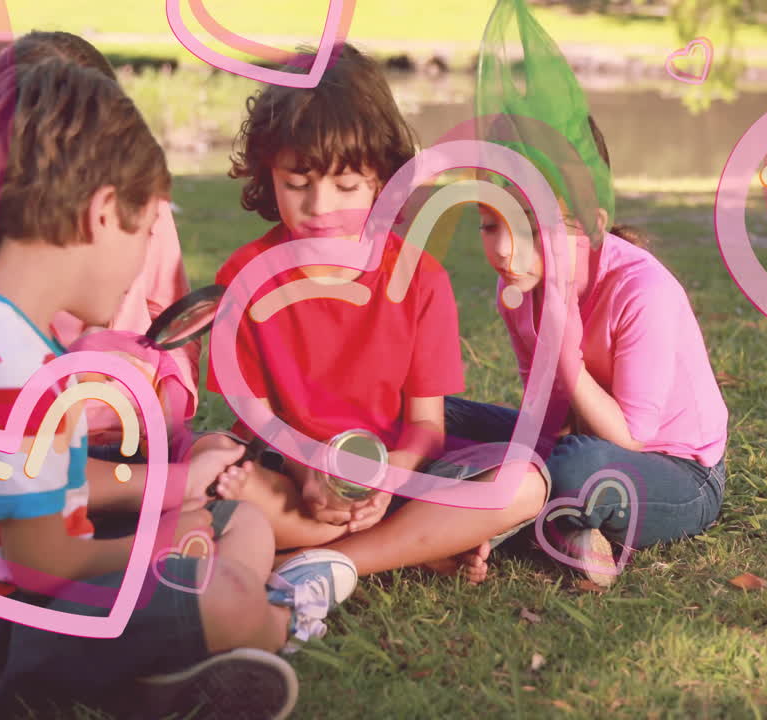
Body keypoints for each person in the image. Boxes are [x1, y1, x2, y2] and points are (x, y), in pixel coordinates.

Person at [0, 57, 356, 718]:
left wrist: (176, 496)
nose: (141, 262)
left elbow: (42, 481)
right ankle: (279, 620)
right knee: (225, 596)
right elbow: (42, 562)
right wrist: (172, 540)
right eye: (145, 233)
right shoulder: (13, 370)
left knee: (234, 520)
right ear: (104, 214)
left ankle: (166, 668)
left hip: (19, 584)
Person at [207, 43, 549, 582]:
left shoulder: (421, 281)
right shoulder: (243, 277)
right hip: (288, 472)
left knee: (523, 484)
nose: (320, 207)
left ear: (383, 180)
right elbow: (256, 420)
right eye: (297, 183)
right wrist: (311, 471)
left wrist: (388, 482)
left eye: (346, 186)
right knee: (214, 462)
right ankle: (411, 544)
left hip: (395, 473)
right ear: (266, 172)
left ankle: (305, 559)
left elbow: (424, 428)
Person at [452, 113, 729, 587]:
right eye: (488, 225)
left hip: (674, 471)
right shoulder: (519, 290)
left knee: (579, 469)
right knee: (442, 416)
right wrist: (515, 462)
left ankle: (480, 514)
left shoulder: (641, 289)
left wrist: (566, 357)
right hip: (572, 441)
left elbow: (628, 438)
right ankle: (538, 523)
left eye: (528, 229)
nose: (503, 250)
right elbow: (547, 420)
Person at [0, 31, 200, 454]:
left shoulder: (144, 208)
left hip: (138, 437)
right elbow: (2, 445)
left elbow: (173, 322)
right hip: (39, 447)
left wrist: (166, 415)